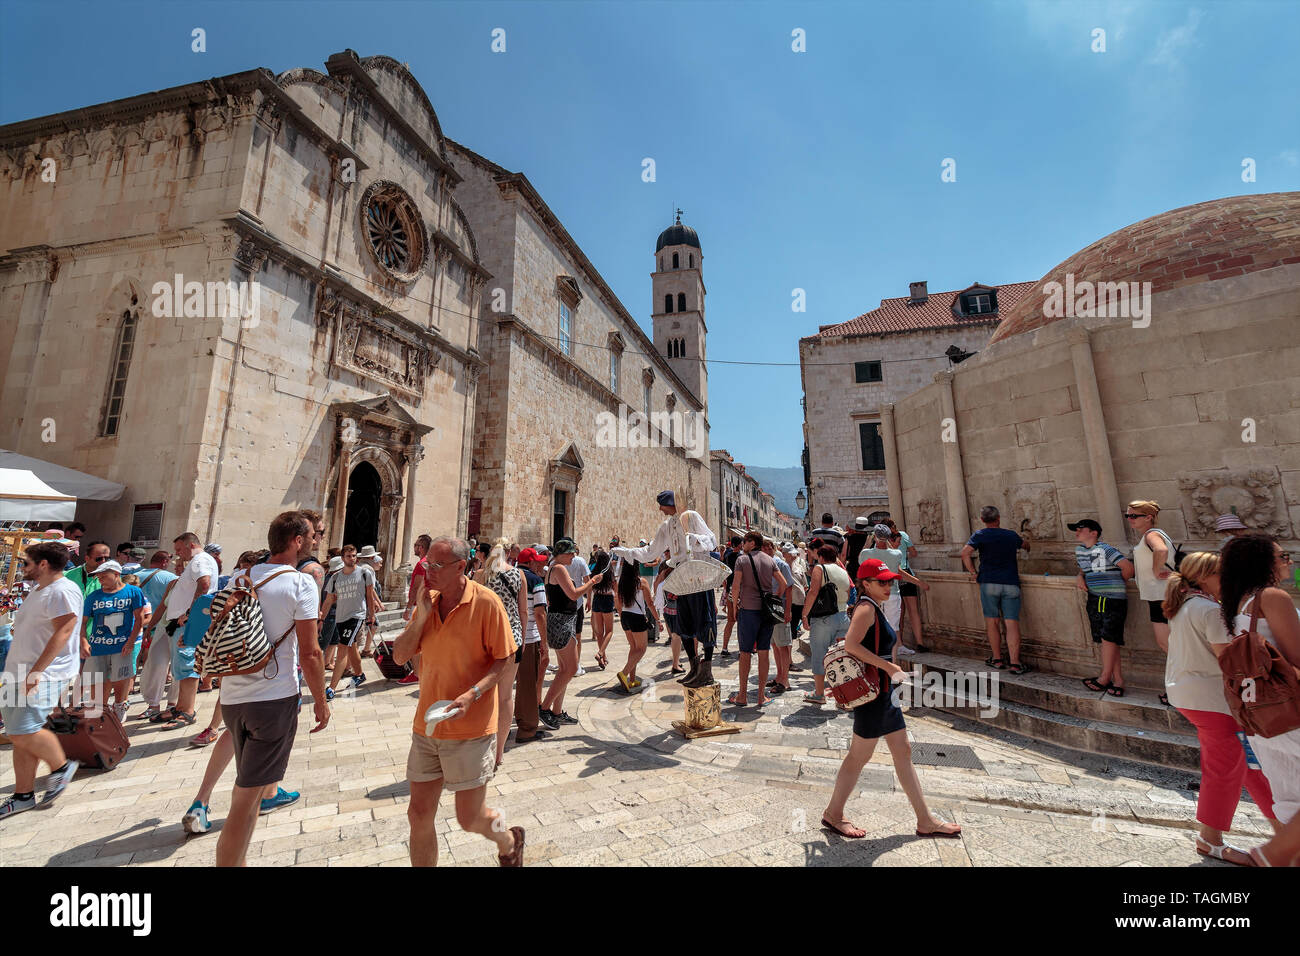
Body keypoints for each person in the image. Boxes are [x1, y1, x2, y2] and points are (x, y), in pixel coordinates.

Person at [392, 536, 524, 867]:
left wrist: (474, 693)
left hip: (471, 728)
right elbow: (400, 655)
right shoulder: (429, 602)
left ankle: (509, 840)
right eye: (426, 564)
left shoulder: (486, 603)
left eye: (436, 565)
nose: (427, 571)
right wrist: (421, 617)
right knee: (418, 813)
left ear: (461, 567)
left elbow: (504, 660)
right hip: (428, 725)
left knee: (471, 818)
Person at [208, 511, 329, 865]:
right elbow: (310, 652)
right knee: (247, 801)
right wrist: (321, 701)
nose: (315, 540)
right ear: (296, 542)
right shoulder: (300, 584)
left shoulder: (239, 579)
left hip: (232, 699)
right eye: (311, 535)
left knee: (247, 787)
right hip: (272, 699)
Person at [820, 559, 961, 840]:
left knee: (902, 750)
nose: (888, 586)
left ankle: (925, 820)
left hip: (884, 692)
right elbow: (851, 645)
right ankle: (834, 813)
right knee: (860, 755)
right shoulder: (865, 608)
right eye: (881, 581)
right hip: (873, 694)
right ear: (865, 584)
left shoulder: (874, 607)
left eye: (890, 581)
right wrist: (889, 667)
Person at [1161, 550, 1278, 865]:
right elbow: (1231, 661)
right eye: (1221, 575)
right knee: (1227, 769)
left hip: (1193, 696)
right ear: (1203, 577)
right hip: (1213, 700)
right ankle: (1210, 840)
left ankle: (1282, 830)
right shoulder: (1209, 611)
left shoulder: (1186, 606)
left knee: (1242, 765)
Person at [1220, 533, 1300, 867]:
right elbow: (1296, 659)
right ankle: (1269, 855)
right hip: (1290, 711)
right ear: (1263, 563)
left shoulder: (1240, 605)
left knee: (1291, 798)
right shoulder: (1273, 597)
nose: (1289, 562)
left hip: (1260, 716)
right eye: (1283, 557)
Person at [0, 541, 82, 818]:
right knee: (18, 732)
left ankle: (60, 768)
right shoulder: (40, 590)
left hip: (43, 673)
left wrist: (37, 672)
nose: (23, 567)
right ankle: (23, 795)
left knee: (23, 730)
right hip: (18, 671)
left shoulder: (62, 590)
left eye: (26, 562)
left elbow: (64, 631)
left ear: (43, 564)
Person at [612, 491, 719, 688]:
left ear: (669, 503)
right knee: (683, 625)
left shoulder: (692, 517)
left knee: (705, 620)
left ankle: (707, 670)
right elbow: (651, 551)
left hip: (698, 576)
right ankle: (694, 667)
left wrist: (694, 539)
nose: (660, 509)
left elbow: (712, 540)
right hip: (681, 579)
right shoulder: (667, 526)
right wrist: (627, 552)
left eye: (661, 505)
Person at [152, 532, 218, 730]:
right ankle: (180, 707)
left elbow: (204, 584)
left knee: (188, 666)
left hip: (186, 623)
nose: (178, 555)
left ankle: (187, 711)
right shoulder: (202, 560)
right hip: (183, 622)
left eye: (180, 550)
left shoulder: (199, 560)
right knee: (181, 666)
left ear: (190, 545)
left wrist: (190, 613)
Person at [540, 539, 603, 722]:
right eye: (570, 553)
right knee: (571, 668)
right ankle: (545, 708)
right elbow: (574, 594)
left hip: (563, 620)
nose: (573, 556)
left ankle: (557, 711)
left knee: (564, 669)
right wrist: (592, 581)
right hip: (561, 622)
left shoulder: (554, 567)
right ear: (561, 554)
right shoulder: (558, 568)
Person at [960, 506, 1030, 673]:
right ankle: (1015, 663)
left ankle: (997, 659)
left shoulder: (980, 535)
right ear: (998, 518)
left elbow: (965, 553)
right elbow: (1026, 545)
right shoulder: (1010, 535)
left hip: (989, 582)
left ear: (983, 520)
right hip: (1010, 582)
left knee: (993, 622)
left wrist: (973, 572)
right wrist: (1026, 545)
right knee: (1011, 623)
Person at [476, 539, 525, 769]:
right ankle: (499, 752)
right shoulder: (518, 575)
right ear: (508, 552)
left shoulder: (480, 576)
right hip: (511, 637)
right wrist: (522, 639)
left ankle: (482, 747)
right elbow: (522, 610)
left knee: (485, 694)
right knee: (505, 696)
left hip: (485, 637)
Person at [1073, 519, 1135, 696]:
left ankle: (1105, 678)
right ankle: (1118, 680)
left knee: (1109, 637)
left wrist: (1114, 584)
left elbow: (1128, 568)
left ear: (1094, 533)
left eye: (1080, 529)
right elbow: (1084, 569)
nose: (1077, 532)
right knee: (1107, 639)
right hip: (1095, 597)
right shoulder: (1080, 551)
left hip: (1111, 599)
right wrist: (1079, 576)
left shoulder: (1106, 549)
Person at [80, 560, 145, 721]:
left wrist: (131, 642)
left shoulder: (133, 592)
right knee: (97, 682)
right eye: (98, 577)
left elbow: (139, 619)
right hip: (97, 647)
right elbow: (83, 621)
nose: (100, 579)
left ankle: (119, 705)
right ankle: (100, 712)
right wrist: (83, 641)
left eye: (103, 576)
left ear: (117, 574)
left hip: (121, 646)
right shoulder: (93, 596)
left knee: (121, 679)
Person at [729, 531, 788, 707]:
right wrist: (774, 598)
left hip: (748, 610)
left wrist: (734, 606)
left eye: (745, 542)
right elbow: (784, 584)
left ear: (751, 543)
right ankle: (761, 696)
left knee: (745, 653)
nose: (743, 545)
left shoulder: (742, 560)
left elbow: (736, 585)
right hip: (766, 613)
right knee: (764, 652)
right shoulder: (770, 560)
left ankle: (742, 696)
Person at [319, 545, 380, 701]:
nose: (352, 559)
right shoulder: (335, 578)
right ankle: (359, 674)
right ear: (343, 558)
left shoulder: (364, 573)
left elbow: (369, 595)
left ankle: (331, 688)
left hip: (357, 616)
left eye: (354, 556)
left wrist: (371, 615)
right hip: (341, 617)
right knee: (351, 646)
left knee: (343, 648)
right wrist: (321, 619)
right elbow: (329, 600)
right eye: (348, 556)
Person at [857, 525, 930, 658]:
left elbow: (861, 561)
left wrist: (869, 541)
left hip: (874, 596)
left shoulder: (866, 554)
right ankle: (893, 662)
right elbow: (899, 571)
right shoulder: (897, 554)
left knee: (873, 628)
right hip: (892, 594)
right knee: (894, 628)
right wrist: (918, 582)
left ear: (875, 537)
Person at [1126, 500, 1173, 705]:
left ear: (1148, 517)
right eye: (1128, 516)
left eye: (1134, 516)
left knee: (1168, 644)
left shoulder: (1152, 534)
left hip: (1160, 596)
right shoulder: (1153, 534)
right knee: (1170, 644)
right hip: (1159, 596)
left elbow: (1160, 551)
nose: (1130, 520)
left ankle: (1178, 690)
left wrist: (1156, 570)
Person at [802, 543, 852, 705]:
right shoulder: (843, 571)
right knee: (840, 658)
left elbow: (813, 591)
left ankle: (819, 693)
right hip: (843, 617)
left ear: (821, 557)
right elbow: (847, 592)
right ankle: (843, 696)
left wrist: (805, 614)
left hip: (824, 618)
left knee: (819, 654)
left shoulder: (820, 569)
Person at [131, 551, 178, 721]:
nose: (177, 567)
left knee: (177, 669)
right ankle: (153, 705)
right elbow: (162, 607)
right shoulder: (172, 581)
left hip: (180, 629)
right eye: (177, 564)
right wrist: (150, 626)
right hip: (161, 626)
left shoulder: (192, 586)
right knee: (156, 664)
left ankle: (173, 705)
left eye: (181, 565)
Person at [513, 548, 552, 736]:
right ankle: (527, 728)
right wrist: (544, 644)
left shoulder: (510, 576)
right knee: (528, 684)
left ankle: (516, 718)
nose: (542, 564)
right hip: (528, 638)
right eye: (538, 561)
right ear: (531, 563)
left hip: (509, 638)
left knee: (514, 684)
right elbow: (540, 613)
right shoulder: (535, 581)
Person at [614, 557, 658, 692]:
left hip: (625, 616)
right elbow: (650, 603)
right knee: (642, 648)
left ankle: (632, 680)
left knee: (633, 648)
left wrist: (622, 616)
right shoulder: (641, 582)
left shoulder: (621, 582)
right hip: (637, 617)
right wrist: (657, 619)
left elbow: (618, 601)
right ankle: (624, 673)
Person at [883, 518, 926, 652]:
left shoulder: (883, 541)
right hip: (907, 573)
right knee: (913, 611)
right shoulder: (903, 535)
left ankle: (899, 643)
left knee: (897, 613)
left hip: (893, 575)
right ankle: (920, 643)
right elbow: (913, 553)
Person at [762, 539, 795, 695]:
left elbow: (789, 588)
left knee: (783, 645)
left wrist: (788, 610)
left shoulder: (781, 564)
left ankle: (785, 680)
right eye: (764, 547)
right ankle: (779, 675)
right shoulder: (763, 564)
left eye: (770, 547)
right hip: (770, 610)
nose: (768, 549)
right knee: (775, 645)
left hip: (780, 609)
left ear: (774, 548)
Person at [588, 549, 616, 671]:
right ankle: (600, 653)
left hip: (597, 600)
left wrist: (589, 600)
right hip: (607, 599)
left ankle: (603, 658)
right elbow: (616, 588)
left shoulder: (594, 571)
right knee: (609, 631)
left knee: (599, 632)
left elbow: (590, 586)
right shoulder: (609, 573)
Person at [567, 547, 591, 673]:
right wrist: (590, 599)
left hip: (563, 602)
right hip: (578, 602)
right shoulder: (581, 561)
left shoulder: (557, 562)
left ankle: (566, 664)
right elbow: (588, 581)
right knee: (578, 635)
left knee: (566, 634)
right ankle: (576, 665)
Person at [720, 535, 743, 656]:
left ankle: (724, 648)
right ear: (740, 545)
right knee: (741, 621)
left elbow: (724, 575)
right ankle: (741, 649)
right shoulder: (742, 558)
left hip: (729, 591)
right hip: (739, 592)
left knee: (730, 621)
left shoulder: (727, 557)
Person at [406, 534, 433, 622]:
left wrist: (408, 608)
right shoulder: (430, 561)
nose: (414, 548)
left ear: (420, 547)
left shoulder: (421, 564)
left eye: (415, 545)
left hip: (418, 605)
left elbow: (416, 587)